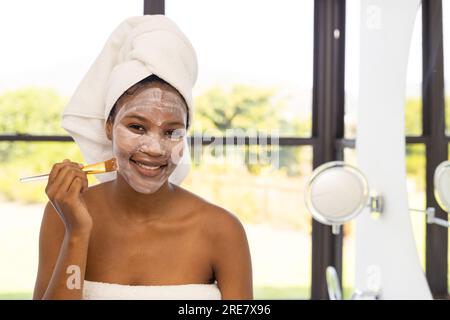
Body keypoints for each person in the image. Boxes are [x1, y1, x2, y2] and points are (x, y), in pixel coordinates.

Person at [32, 15, 253, 300]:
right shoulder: (62, 216)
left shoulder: (223, 230)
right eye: (137, 127)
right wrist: (77, 232)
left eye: (172, 131)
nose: (155, 148)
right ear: (109, 127)